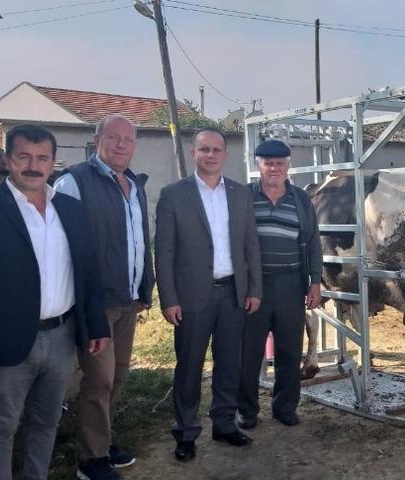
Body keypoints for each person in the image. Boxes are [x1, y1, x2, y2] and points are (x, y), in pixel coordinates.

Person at [0, 124, 111, 480]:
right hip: (7, 343)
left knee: (46, 421)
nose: (32, 165)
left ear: (53, 163)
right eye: (24, 156)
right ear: (8, 159)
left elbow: (88, 271)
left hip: (61, 337)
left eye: (42, 158)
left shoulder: (70, 209)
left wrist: (96, 324)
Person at [55, 114, 154, 480]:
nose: (121, 144)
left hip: (128, 299)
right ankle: (91, 460)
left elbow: (141, 241)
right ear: (97, 139)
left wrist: (145, 287)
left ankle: (101, 439)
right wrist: (86, 304)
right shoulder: (74, 182)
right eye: (113, 137)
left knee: (119, 375)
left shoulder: (134, 184)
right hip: (97, 303)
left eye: (128, 139)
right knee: (98, 380)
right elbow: (66, 248)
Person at [155, 128, 262, 462]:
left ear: (225, 155)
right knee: (189, 367)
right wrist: (169, 298)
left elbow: (250, 246)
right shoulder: (174, 194)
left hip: (233, 293)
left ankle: (224, 423)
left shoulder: (239, 194)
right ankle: (186, 433)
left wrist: (254, 288)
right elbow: (164, 252)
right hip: (191, 298)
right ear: (194, 153)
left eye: (217, 149)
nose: (211, 155)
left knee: (230, 363)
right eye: (205, 149)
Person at [237, 140, 323, 429]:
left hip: (290, 284)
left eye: (280, 163)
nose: (274, 168)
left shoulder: (300, 199)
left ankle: (285, 407)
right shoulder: (244, 197)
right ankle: (247, 412)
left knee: (289, 351)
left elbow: (312, 243)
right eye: (268, 163)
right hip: (254, 287)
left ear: (288, 166)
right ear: (258, 165)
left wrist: (314, 282)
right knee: (248, 353)